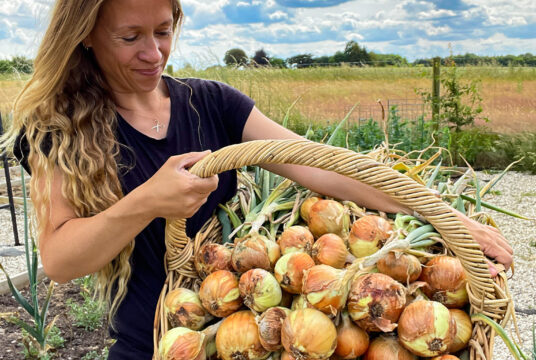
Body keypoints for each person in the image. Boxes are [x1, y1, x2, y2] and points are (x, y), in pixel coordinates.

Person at [1, 0, 512, 358]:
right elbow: (61, 260)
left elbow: (318, 163)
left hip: (249, 328)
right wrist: (147, 202)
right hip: (157, 340)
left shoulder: (212, 104)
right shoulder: (61, 128)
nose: (154, 53)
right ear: (86, 34)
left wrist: (439, 216)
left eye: (163, 30)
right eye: (130, 37)